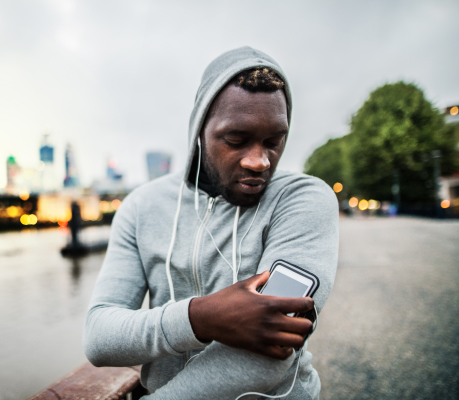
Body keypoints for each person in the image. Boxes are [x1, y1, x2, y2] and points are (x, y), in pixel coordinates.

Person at [84, 46, 339, 399]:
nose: (259, 161)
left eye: (274, 142)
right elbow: (99, 338)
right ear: (200, 130)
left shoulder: (303, 200)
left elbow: (270, 354)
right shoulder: (142, 207)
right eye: (236, 140)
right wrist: (201, 318)